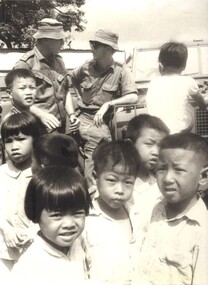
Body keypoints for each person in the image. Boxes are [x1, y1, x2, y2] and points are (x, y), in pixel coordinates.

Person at [70, 29, 138, 186]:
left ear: (109, 49)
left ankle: (96, 186)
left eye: (95, 45)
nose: (91, 48)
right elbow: (71, 80)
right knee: (89, 142)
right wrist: (79, 97)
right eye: (91, 44)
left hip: (105, 119)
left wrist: (109, 104)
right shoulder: (86, 67)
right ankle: (88, 186)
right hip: (84, 117)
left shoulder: (121, 70)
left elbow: (133, 96)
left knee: (100, 147)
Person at [138, 132, 208, 285]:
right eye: (162, 168)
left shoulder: (202, 230)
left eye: (179, 170)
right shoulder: (155, 208)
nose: (168, 178)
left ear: (203, 177)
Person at [11, 166, 92, 285]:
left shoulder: (78, 243)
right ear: (36, 214)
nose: (69, 224)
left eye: (77, 213)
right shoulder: (30, 266)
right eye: (57, 215)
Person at [85, 140, 141, 284]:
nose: (120, 190)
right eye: (111, 180)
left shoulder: (135, 214)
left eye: (128, 182)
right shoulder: (85, 218)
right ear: (95, 177)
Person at [14, 18, 79, 134]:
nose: (63, 43)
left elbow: (65, 91)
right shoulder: (26, 64)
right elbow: (16, 100)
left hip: (60, 128)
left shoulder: (59, 62)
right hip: (37, 130)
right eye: (59, 39)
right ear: (45, 40)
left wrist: (72, 114)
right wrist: (42, 115)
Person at [0, 112, 42, 272]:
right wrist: (6, 229)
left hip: (34, 247)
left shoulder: (41, 175)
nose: (14, 146)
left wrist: (32, 232)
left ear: (34, 140)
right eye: (8, 141)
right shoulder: (1, 174)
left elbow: (48, 210)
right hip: (4, 248)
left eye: (21, 139)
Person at [146, 41, 207, 134]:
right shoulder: (189, 81)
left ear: (160, 65)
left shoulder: (153, 82)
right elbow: (202, 105)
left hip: (156, 133)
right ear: (184, 66)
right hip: (177, 134)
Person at [125, 114, 169, 218]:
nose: (156, 152)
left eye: (161, 146)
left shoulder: (161, 187)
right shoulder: (115, 184)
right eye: (149, 143)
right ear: (130, 145)